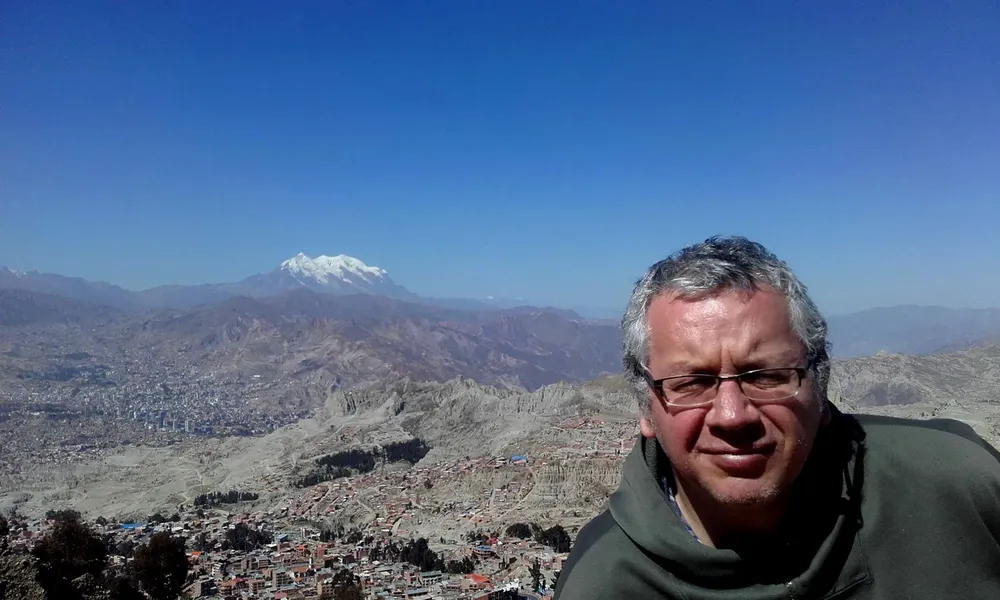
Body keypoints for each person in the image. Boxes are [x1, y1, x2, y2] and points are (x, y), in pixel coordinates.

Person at [554, 236, 1000, 600]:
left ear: (819, 383)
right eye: (691, 383)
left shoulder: (960, 488)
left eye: (767, 375)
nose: (732, 416)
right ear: (646, 407)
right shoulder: (606, 583)